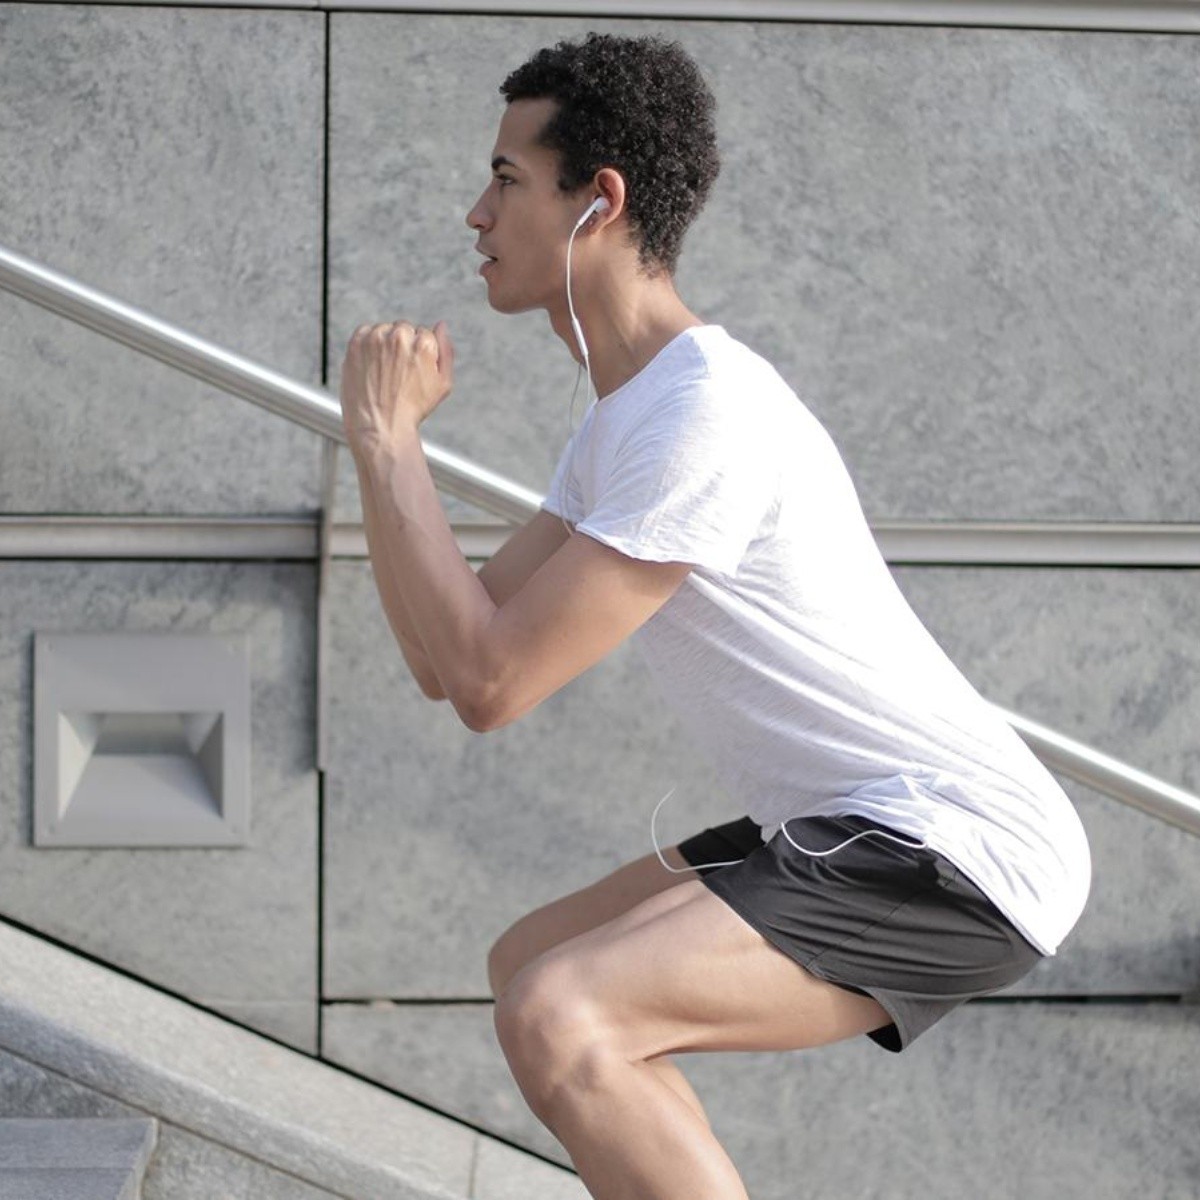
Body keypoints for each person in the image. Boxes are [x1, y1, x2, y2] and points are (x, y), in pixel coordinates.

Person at [338, 32, 1091, 1200]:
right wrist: (381, 450)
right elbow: (448, 652)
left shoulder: (704, 415)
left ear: (602, 202)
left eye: (506, 179)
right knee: (531, 967)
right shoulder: (623, 421)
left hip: (954, 846)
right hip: (848, 821)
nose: (475, 214)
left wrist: (391, 440)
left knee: (564, 1010)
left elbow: (491, 685)